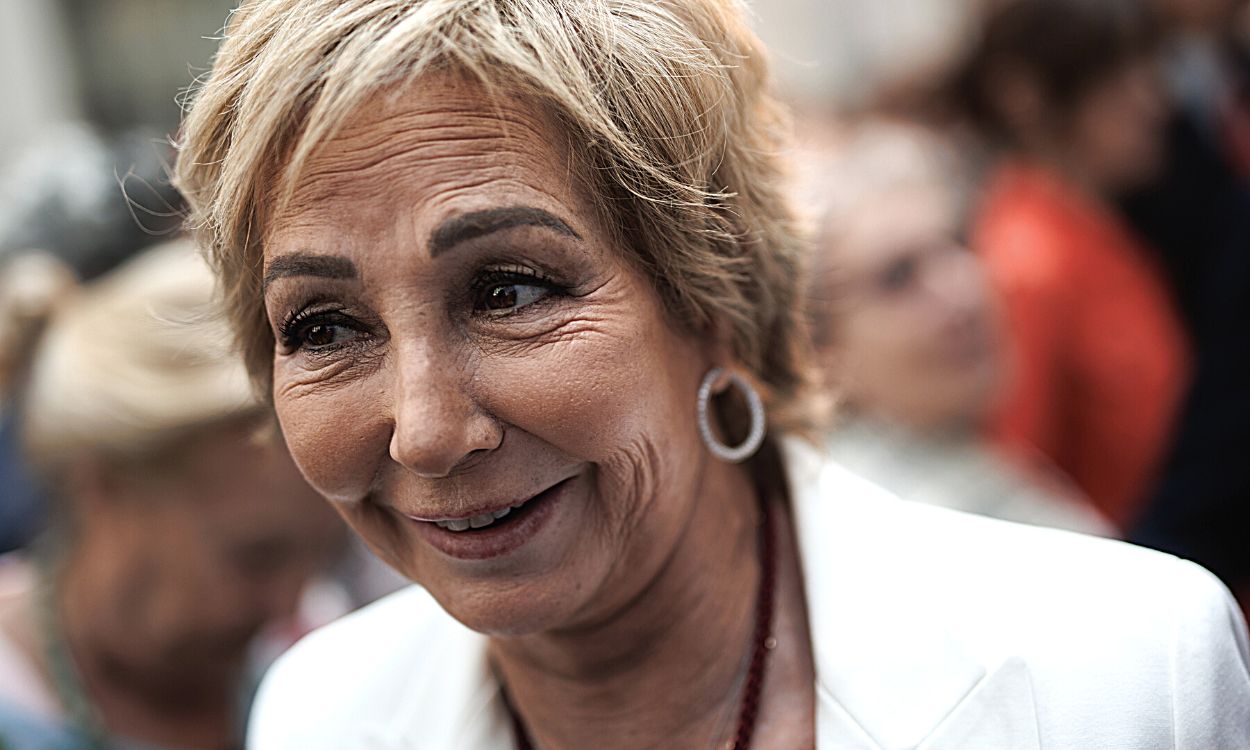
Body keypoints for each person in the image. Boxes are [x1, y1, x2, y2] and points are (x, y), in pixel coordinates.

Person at [175, 1, 1250, 748]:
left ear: (713, 299)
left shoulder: (1116, 674)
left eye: (506, 291)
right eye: (322, 326)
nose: (423, 430)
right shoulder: (316, 715)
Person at [0, 241, 346, 749]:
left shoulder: (323, 662)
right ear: (106, 484)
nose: (288, 602)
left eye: (325, 555)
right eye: (254, 556)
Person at [802, 122, 1111, 536]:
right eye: (898, 277)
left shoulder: (968, 467)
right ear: (821, 356)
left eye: (958, 242)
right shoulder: (928, 526)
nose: (962, 289)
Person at [955, 0, 1190, 530]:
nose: (1151, 100)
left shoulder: (1096, 225)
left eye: (1148, 69)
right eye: (1117, 78)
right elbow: (1017, 484)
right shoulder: (1029, 261)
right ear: (1030, 97)